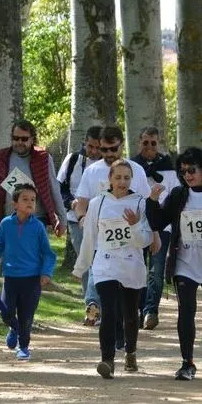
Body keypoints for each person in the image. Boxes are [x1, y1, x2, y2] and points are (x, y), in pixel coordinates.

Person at [145, 147, 202, 380]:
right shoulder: (178, 195)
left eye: (191, 170)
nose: (187, 175)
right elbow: (157, 221)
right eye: (183, 171)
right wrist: (152, 201)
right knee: (186, 311)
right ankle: (187, 362)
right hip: (185, 262)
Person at [73, 160, 153, 378]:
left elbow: (144, 241)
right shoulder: (97, 203)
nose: (122, 182)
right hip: (105, 265)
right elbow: (89, 238)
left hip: (131, 265)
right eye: (118, 177)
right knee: (108, 311)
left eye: (126, 178)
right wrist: (80, 268)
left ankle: (130, 352)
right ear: (109, 179)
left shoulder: (140, 203)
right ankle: (107, 360)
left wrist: (134, 224)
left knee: (130, 313)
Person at [74, 126, 152, 328]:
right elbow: (82, 201)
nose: (108, 154)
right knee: (99, 271)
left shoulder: (137, 170)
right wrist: (83, 217)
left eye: (113, 149)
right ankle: (94, 305)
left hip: (132, 238)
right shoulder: (91, 171)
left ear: (121, 146)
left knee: (127, 294)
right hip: (102, 236)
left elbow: (147, 206)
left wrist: (155, 234)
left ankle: (128, 321)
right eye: (104, 149)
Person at [0, 183, 57, 361]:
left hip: (32, 279)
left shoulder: (38, 227)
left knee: (26, 315)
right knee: (5, 312)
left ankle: (24, 347)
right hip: (11, 277)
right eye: (25, 199)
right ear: (15, 204)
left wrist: (46, 273)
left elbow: (48, 253)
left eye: (33, 200)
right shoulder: (6, 224)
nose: (30, 203)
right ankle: (14, 328)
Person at [131, 126, 180, 330]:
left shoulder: (169, 167)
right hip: (138, 224)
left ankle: (151, 310)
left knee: (156, 269)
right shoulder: (132, 166)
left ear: (158, 143)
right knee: (138, 268)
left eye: (153, 143)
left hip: (162, 226)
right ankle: (138, 308)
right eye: (145, 142)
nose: (149, 146)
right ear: (139, 142)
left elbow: (174, 196)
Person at [0, 119, 66, 237]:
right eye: (16, 138)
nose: (19, 142)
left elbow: (54, 189)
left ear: (32, 139)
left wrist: (62, 220)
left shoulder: (43, 158)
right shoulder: (1, 157)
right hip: (8, 220)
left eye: (24, 139)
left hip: (36, 219)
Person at [58, 126, 103, 325]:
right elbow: (61, 187)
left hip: (101, 221)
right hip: (76, 219)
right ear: (84, 142)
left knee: (95, 260)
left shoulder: (109, 165)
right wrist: (71, 203)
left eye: (98, 147)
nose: (93, 151)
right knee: (86, 261)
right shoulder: (73, 160)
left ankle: (93, 305)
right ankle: (92, 305)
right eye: (90, 146)